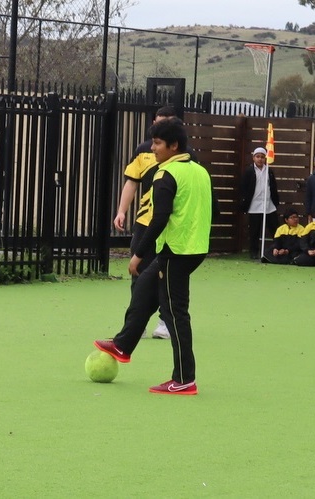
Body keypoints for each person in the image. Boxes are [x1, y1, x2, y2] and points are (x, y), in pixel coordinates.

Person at [95, 117, 213, 395]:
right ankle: (123, 344)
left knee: (175, 314)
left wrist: (137, 254)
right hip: (193, 248)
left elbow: (158, 219)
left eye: (158, 143)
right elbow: (214, 210)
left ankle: (184, 379)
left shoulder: (165, 174)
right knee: (145, 289)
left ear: (174, 146)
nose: (153, 148)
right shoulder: (199, 171)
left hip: (176, 251)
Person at [113, 106, 187, 339]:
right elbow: (132, 182)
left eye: (168, 121)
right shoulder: (144, 151)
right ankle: (136, 322)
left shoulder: (186, 156)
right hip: (146, 221)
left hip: (171, 225)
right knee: (139, 272)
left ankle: (165, 321)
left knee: (169, 275)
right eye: (159, 121)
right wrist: (121, 211)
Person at [240, 147, 280, 259]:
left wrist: (275, 201)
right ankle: (253, 252)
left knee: (274, 228)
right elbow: (244, 187)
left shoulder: (269, 171)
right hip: (254, 205)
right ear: (253, 158)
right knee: (254, 231)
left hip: (268, 205)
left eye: (262, 157)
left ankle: (278, 249)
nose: (260, 159)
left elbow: (273, 187)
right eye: (258, 157)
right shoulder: (249, 171)